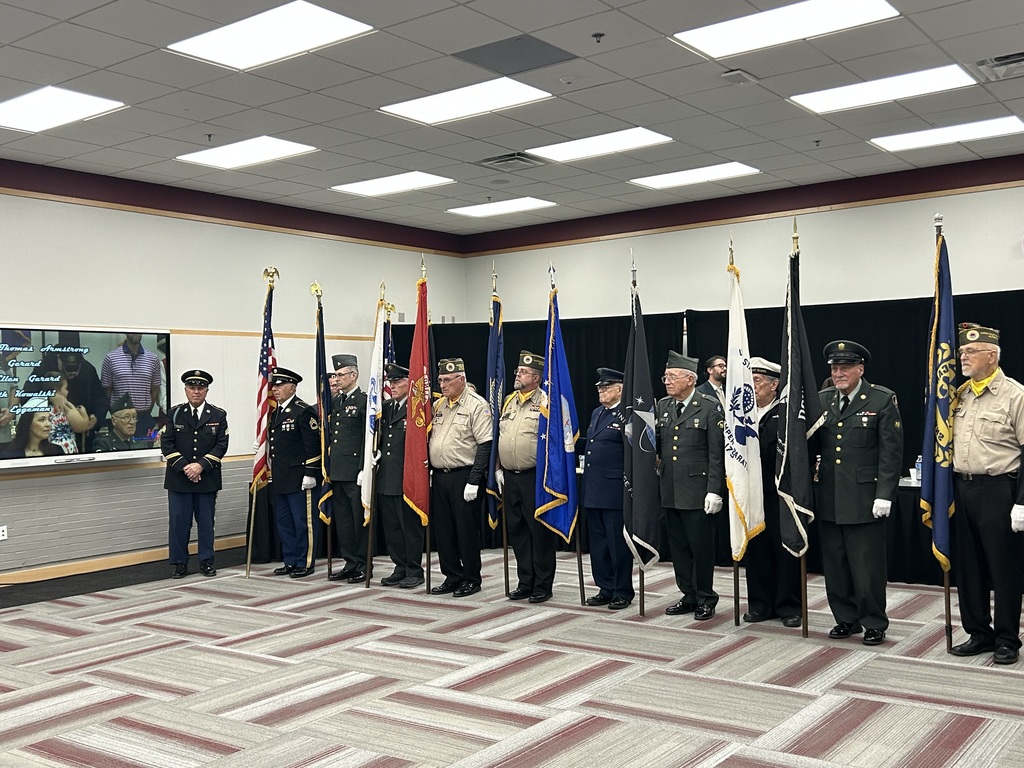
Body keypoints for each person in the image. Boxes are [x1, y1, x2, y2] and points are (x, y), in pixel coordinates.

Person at [814, 340, 902, 647]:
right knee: (835, 565)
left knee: (867, 568)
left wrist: (885, 494)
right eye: (834, 368)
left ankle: (874, 621)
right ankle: (845, 618)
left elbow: (891, 453)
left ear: (860, 369)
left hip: (865, 497)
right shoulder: (822, 399)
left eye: (845, 367)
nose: (838, 373)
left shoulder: (880, 399)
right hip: (830, 496)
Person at [949, 323, 1024, 665]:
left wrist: (1021, 501)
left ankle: (1007, 638)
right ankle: (979, 632)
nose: (962, 356)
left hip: (999, 490)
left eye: (970, 352)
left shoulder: (1015, 395)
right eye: (962, 351)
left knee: (1002, 567)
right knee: (969, 566)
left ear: (991, 356)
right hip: (962, 487)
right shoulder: (959, 394)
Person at [658, 351, 725, 619]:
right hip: (671, 489)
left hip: (698, 491)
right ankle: (688, 594)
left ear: (690, 379)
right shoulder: (663, 406)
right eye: (666, 377)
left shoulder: (709, 407)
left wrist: (714, 489)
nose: (667, 381)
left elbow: (716, 454)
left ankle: (706, 597)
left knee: (701, 548)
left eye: (672, 377)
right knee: (679, 548)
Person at [741, 357, 800, 627]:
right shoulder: (741, 414)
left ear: (774, 385)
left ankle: (788, 606)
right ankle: (760, 604)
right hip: (752, 493)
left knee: (785, 549)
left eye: (757, 381)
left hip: (780, 493)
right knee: (756, 550)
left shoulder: (787, 413)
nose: (752, 387)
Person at [428, 358, 492, 598]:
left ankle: (471, 578)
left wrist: (474, 480)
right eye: (440, 380)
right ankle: (452, 575)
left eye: (447, 380)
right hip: (441, 477)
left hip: (464, 476)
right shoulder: (438, 406)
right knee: (444, 531)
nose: (442, 384)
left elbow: (485, 444)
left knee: (466, 530)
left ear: (461, 380)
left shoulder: (477, 405)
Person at [496, 350, 557, 603]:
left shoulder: (546, 401)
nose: (517, 375)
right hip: (510, 477)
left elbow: (554, 442)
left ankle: (543, 584)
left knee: (538, 532)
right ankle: (525, 581)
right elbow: (501, 435)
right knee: (518, 531)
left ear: (536, 378)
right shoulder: (509, 401)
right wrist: (498, 469)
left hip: (535, 478)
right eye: (517, 371)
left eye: (523, 372)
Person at [162, 369, 229, 579]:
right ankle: (179, 563)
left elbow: (221, 445)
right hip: (179, 479)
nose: (196, 392)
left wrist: (200, 466)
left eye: (200, 388)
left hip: (207, 478)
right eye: (192, 388)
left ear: (207, 390)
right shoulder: (174, 414)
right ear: (185, 390)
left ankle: (206, 561)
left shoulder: (218, 415)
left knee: (206, 523)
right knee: (179, 524)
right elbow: (166, 444)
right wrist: (186, 467)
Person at [582, 367, 634, 610]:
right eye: (599, 388)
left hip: (615, 490)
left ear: (620, 390)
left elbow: (634, 455)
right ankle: (605, 587)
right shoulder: (597, 413)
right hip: (594, 489)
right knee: (599, 544)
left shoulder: (628, 415)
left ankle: (622, 590)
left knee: (617, 544)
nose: (601, 391)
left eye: (606, 387)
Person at [268, 367, 321, 579]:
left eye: (280, 385)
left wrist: (311, 472)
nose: (275, 389)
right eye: (274, 385)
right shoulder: (276, 412)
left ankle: (305, 561)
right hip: (281, 477)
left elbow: (313, 445)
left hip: (300, 478)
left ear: (292, 387)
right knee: (284, 522)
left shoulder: (303, 411)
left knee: (303, 522)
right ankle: (290, 560)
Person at [377, 363, 425, 588]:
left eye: (397, 382)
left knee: (409, 527)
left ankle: (414, 569)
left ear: (410, 382)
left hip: (407, 478)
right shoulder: (386, 408)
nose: (392, 386)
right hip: (387, 476)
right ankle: (400, 565)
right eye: (390, 382)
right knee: (392, 527)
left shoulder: (418, 408)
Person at [326, 353, 369, 584]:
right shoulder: (336, 401)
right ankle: (349, 562)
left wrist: (364, 467)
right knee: (343, 521)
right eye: (335, 375)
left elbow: (366, 438)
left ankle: (362, 564)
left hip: (355, 472)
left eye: (341, 375)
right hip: (338, 471)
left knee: (357, 520)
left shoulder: (364, 400)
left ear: (354, 375)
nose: (337, 379)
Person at [101, 333, 162, 437]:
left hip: (144, 419)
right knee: (119, 451)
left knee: (145, 451)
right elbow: (107, 389)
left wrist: (147, 409)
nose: (135, 333)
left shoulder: (153, 359)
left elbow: (155, 388)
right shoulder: (111, 358)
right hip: (119, 420)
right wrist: (115, 412)